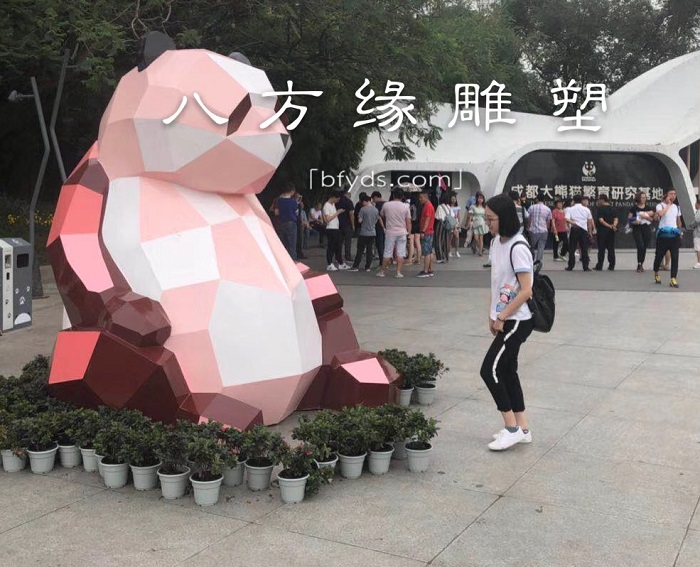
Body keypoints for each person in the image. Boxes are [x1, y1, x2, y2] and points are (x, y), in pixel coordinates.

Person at [479, 194, 534, 451]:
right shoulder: (496, 243)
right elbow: (498, 283)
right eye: (486, 218)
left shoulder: (518, 247)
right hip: (503, 318)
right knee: (507, 371)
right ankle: (522, 428)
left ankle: (511, 429)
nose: (487, 223)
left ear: (505, 218)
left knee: (489, 370)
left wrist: (502, 316)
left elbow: (526, 290)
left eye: (491, 219)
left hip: (517, 320)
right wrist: (492, 314)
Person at [377, 188, 411, 278]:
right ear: (402, 196)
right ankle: (398, 272)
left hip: (390, 232)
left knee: (387, 252)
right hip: (402, 232)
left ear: (393, 195)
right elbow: (408, 222)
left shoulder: (386, 205)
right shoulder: (405, 206)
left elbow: (382, 215)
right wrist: (409, 233)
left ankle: (382, 271)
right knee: (401, 253)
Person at [653, 188, 683, 288]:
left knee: (675, 257)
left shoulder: (677, 207)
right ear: (666, 195)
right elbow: (661, 214)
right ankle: (656, 273)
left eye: (675, 194)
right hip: (663, 236)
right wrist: (668, 205)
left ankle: (673, 278)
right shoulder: (660, 205)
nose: (673, 196)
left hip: (674, 235)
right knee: (658, 256)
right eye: (671, 194)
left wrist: (680, 232)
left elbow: (678, 221)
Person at [349, 194, 380, 272]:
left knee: (360, 250)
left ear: (365, 201)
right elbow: (377, 220)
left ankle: (355, 266)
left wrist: (360, 218)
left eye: (363, 202)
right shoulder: (375, 210)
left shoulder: (363, 209)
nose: (362, 204)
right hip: (372, 232)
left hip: (364, 232)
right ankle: (367, 267)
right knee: (370, 250)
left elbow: (360, 220)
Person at [565, 194, 594, 271]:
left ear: (573, 201)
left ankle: (571, 266)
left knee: (572, 248)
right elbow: (589, 222)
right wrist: (590, 232)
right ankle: (585, 266)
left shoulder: (570, 209)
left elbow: (566, 219)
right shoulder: (586, 209)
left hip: (574, 229)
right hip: (584, 230)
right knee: (584, 248)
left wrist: (573, 222)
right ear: (581, 201)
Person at [629, 191, 654, 272]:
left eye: (645, 197)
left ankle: (641, 264)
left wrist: (646, 217)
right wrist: (634, 222)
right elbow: (629, 218)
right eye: (642, 197)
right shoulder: (634, 208)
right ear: (638, 198)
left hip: (646, 228)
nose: (644, 199)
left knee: (644, 247)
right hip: (637, 228)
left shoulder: (648, 208)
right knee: (640, 246)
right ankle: (639, 264)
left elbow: (652, 219)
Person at [322, 192, 348, 271]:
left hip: (336, 228)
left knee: (338, 246)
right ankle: (329, 264)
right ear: (333, 197)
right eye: (337, 199)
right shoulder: (326, 206)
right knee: (331, 246)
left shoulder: (333, 205)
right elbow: (327, 219)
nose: (337, 201)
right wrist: (337, 212)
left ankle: (340, 263)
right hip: (330, 228)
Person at [274, 183, 298, 260]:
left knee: (282, 245)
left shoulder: (279, 200)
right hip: (291, 223)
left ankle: (282, 262)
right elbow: (296, 213)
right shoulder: (293, 201)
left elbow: (276, 213)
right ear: (292, 191)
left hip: (281, 223)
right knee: (291, 246)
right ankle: (292, 262)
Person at [527, 192, 552, 264]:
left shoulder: (531, 207)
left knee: (531, 247)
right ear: (544, 200)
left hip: (533, 230)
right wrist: (546, 228)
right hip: (543, 230)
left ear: (537, 199)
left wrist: (529, 227)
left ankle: (530, 260)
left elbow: (529, 218)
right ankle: (538, 261)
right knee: (541, 247)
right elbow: (548, 221)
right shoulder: (547, 209)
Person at [594, 194, 617, 271]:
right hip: (611, 231)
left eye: (598, 200)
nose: (598, 201)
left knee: (601, 249)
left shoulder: (600, 209)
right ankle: (612, 265)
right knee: (611, 248)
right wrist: (613, 226)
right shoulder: (612, 208)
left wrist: (609, 226)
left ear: (602, 200)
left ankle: (599, 266)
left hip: (602, 231)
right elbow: (616, 219)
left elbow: (601, 220)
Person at [417, 190, 436, 278]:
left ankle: (426, 271)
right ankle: (429, 269)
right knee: (429, 251)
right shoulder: (428, 205)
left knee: (426, 252)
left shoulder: (428, 206)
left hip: (427, 232)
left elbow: (427, 219)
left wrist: (423, 231)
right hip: (429, 231)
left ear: (426, 197)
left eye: (421, 197)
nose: (420, 199)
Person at [435, 193, 454, 263]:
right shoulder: (449, 207)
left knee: (439, 240)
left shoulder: (440, 207)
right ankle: (446, 257)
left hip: (441, 224)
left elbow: (437, 216)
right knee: (446, 241)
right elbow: (453, 216)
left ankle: (440, 257)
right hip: (448, 225)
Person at [337, 189, 355, 263]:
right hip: (347, 224)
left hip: (338, 224)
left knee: (339, 242)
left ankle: (338, 257)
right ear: (346, 194)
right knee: (348, 242)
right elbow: (351, 214)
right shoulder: (349, 202)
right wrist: (353, 225)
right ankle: (347, 257)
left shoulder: (337, 201)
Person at [467, 192, 487, 256]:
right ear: (477, 199)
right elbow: (470, 216)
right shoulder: (473, 206)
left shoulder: (484, 207)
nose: (480, 199)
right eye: (479, 198)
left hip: (482, 223)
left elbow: (486, 216)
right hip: (475, 223)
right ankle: (479, 247)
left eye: (482, 198)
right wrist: (468, 223)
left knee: (481, 238)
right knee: (476, 238)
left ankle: (480, 251)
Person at [371, 191, 386, 267]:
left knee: (380, 244)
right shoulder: (386, 204)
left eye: (373, 198)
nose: (373, 200)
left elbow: (378, 217)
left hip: (379, 227)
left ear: (376, 197)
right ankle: (386, 260)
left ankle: (382, 261)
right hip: (387, 226)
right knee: (385, 244)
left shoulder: (378, 205)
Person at [408, 194, 423, 265]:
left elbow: (409, 217)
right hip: (418, 225)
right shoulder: (421, 206)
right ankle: (418, 259)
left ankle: (410, 259)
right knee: (418, 242)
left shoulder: (412, 206)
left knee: (411, 242)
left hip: (412, 224)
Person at [449, 194, 461, 258]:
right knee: (450, 238)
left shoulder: (457, 207)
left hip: (456, 222)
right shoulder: (448, 206)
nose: (453, 200)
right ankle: (449, 251)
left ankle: (457, 251)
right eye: (452, 199)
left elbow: (458, 215)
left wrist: (459, 223)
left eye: (454, 199)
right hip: (450, 221)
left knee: (457, 237)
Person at [691, 197, 700, 269]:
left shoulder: (699, 211)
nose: (695, 205)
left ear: (698, 204)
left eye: (695, 204)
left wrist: (691, 225)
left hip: (698, 233)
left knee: (698, 248)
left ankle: (699, 262)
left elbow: (697, 220)